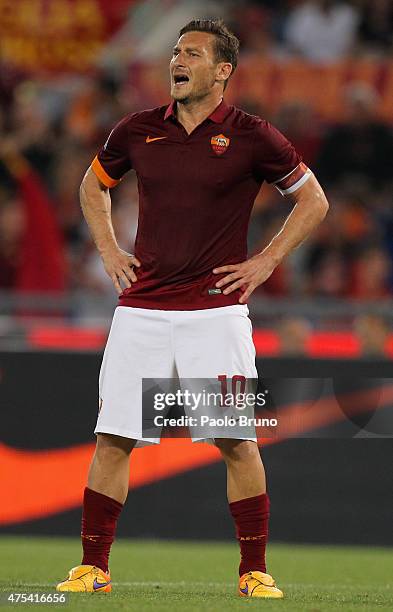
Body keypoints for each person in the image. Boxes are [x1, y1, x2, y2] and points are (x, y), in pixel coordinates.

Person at [56, 19, 329, 599]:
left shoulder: (254, 136)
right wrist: (108, 250)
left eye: (192, 53)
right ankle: (92, 568)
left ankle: (253, 572)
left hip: (216, 313)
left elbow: (312, 200)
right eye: (175, 51)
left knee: (238, 441)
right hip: (142, 310)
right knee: (114, 436)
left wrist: (265, 263)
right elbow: (92, 185)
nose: (176, 60)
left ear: (223, 71)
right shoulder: (137, 130)